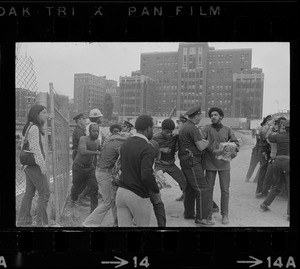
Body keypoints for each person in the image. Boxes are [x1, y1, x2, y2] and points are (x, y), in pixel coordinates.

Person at [82, 124, 131, 227]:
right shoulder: (119, 144)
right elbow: (124, 159)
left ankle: (117, 223)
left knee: (113, 200)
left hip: (102, 172)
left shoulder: (112, 141)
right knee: (107, 202)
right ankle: (89, 223)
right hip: (105, 173)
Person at [116, 115, 159, 227]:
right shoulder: (148, 147)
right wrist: (156, 189)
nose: (152, 131)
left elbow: (121, 167)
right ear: (148, 128)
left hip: (121, 192)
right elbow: (146, 175)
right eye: (152, 128)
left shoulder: (125, 144)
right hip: (138, 194)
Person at [202, 107, 239, 225]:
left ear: (221, 117)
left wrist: (233, 148)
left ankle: (225, 214)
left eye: (215, 115)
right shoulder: (206, 129)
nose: (213, 117)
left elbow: (236, 143)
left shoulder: (228, 129)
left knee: (225, 190)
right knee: (208, 190)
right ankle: (208, 215)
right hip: (209, 163)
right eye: (211, 115)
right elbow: (201, 142)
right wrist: (212, 150)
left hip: (224, 164)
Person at [178, 106, 213, 226]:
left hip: (186, 160)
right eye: (201, 116)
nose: (201, 118)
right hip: (192, 161)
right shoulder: (192, 128)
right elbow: (201, 147)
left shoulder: (185, 126)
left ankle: (188, 213)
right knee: (203, 188)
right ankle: (201, 218)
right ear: (196, 116)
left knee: (191, 188)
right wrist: (208, 141)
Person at [17, 104, 50, 227]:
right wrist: (43, 167)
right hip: (35, 165)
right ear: (36, 114)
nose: (46, 115)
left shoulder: (29, 126)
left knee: (29, 193)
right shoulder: (35, 128)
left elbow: (23, 146)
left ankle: (23, 221)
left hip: (28, 165)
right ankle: (41, 224)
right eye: (43, 113)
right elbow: (35, 149)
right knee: (45, 193)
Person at [260, 120, 290, 221]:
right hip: (288, 162)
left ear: (285, 128)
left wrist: (271, 127)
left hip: (277, 162)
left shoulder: (278, 136)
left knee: (277, 185)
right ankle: (289, 214)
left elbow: (267, 137)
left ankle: (265, 204)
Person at [69, 124, 101, 213]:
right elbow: (83, 151)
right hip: (79, 166)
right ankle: (72, 201)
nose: (96, 133)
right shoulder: (83, 139)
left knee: (94, 188)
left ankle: (94, 211)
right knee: (76, 185)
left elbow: (102, 151)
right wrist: (97, 153)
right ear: (89, 131)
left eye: (97, 131)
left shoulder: (97, 142)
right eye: (94, 131)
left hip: (90, 168)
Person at [153, 119, 187, 202]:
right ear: (162, 129)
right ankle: (154, 200)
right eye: (167, 132)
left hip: (171, 164)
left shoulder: (174, 137)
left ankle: (185, 195)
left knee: (184, 182)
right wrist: (161, 149)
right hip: (159, 164)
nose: (169, 134)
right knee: (154, 184)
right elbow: (149, 149)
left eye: (171, 132)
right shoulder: (155, 138)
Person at [256, 117, 286, 198]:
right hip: (277, 159)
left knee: (270, 177)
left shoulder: (276, 135)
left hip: (275, 159)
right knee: (273, 177)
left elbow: (267, 137)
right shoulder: (279, 135)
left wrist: (271, 127)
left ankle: (264, 193)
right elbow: (267, 138)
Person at [255, 115, 273, 197]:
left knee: (265, 171)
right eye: (269, 119)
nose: (271, 121)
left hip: (265, 150)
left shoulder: (267, 128)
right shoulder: (265, 128)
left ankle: (263, 190)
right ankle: (259, 191)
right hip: (264, 151)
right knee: (263, 170)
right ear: (266, 121)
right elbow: (267, 139)